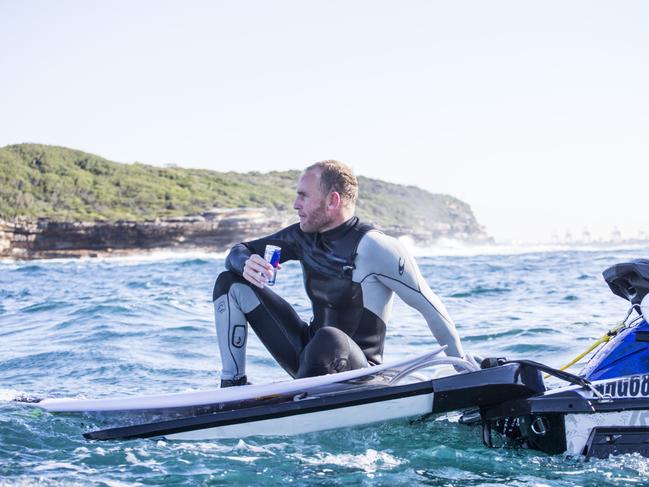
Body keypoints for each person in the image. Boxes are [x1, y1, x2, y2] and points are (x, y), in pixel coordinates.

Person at [212, 160, 465, 387]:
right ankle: (232, 388)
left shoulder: (375, 247)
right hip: (308, 357)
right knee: (230, 282)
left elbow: (431, 308)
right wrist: (245, 261)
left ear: (332, 200)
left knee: (330, 338)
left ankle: (297, 400)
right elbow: (238, 251)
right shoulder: (302, 236)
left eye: (303, 196)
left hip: (359, 374)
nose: (295, 205)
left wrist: (463, 368)